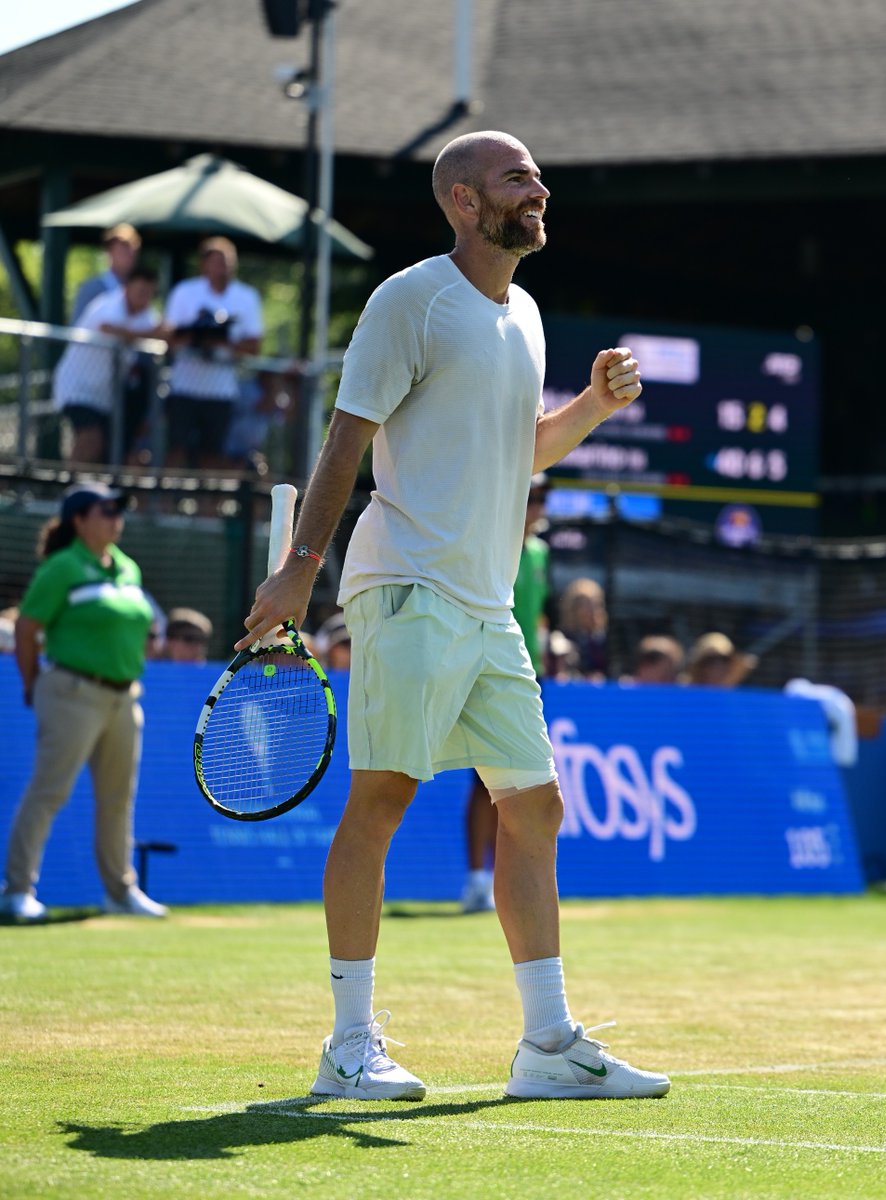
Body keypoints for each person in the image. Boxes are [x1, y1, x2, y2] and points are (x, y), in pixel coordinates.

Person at [239, 130, 669, 1101]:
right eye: (518, 177)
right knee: (384, 798)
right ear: (465, 203)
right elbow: (347, 439)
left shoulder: (524, 312)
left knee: (536, 805)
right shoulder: (410, 298)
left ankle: (549, 1047)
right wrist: (300, 570)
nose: (540, 187)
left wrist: (591, 408)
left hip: (487, 604)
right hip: (410, 589)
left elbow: (517, 451)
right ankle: (350, 1047)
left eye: (537, 174)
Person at [0, 483, 168, 921]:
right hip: (71, 692)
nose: (116, 518)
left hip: (125, 696)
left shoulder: (128, 568)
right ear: (79, 520)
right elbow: (26, 629)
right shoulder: (61, 567)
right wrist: (34, 682)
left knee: (118, 799)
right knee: (48, 791)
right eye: (106, 510)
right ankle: (17, 891)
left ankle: (120, 892)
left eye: (119, 510)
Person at [461, 473, 553, 913]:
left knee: (521, 787)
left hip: (526, 675)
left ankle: (503, 883)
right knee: (486, 785)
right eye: (532, 496)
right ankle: (478, 880)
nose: (537, 506)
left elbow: (536, 616)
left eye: (542, 498)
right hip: (483, 670)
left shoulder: (539, 552)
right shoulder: (491, 538)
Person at [164, 237, 264, 469]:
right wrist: (198, 333)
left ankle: (207, 505)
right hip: (183, 386)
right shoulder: (184, 292)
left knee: (213, 454)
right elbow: (169, 336)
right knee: (176, 450)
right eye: (217, 261)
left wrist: (221, 341)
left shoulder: (246, 296)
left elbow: (254, 345)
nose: (223, 267)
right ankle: (166, 503)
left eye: (228, 261)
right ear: (204, 264)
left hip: (221, 391)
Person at [53, 266, 164, 464]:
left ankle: (90, 491)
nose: (143, 297)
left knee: (104, 450)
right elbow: (110, 328)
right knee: (90, 439)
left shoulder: (146, 315)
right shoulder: (108, 304)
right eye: (140, 291)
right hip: (77, 388)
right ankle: (69, 492)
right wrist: (150, 334)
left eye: (148, 293)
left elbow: (164, 331)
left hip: (105, 396)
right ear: (127, 288)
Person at [70, 223, 141, 324]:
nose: (129, 253)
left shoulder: (140, 291)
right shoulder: (91, 288)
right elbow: (77, 331)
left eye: (133, 248)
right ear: (109, 251)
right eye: (123, 247)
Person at [554, 576, 609, 681]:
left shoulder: (604, 641)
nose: (591, 610)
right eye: (585, 604)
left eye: (596, 604)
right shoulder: (560, 639)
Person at [683, 631, 757, 687]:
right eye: (711, 661)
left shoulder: (733, 699)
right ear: (701, 666)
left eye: (724, 660)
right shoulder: (684, 693)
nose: (718, 666)